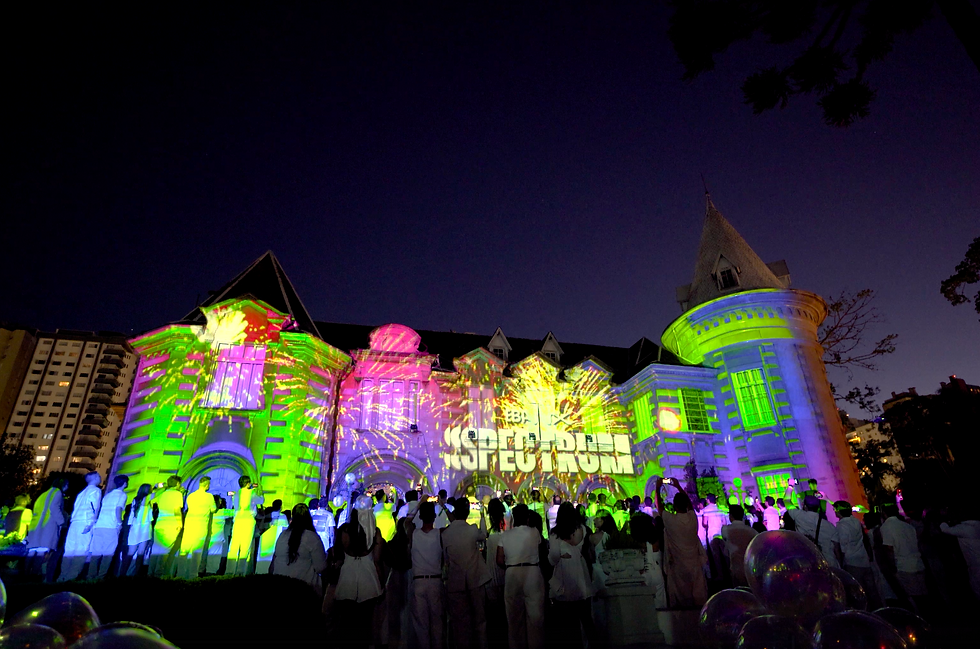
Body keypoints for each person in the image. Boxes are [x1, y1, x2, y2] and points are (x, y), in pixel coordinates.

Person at [334, 495, 386, 649]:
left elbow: (339, 556)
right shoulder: (374, 532)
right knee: (365, 622)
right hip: (368, 579)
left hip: (347, 578)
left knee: (347, 622)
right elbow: (377, 560)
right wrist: (382, 583)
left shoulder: (345, 530)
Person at [496, 504, 545, 649]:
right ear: (528, 517)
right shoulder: (534, 532)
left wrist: (511, 566)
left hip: (512, 574)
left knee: (513, 617)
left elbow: (499, 559)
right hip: (532, 572)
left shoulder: (505, 535)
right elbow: (541, 550)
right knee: (535, 616)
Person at [443, 499, 490, 649]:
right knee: (480, 620)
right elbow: (484, 534)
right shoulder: (471, 530)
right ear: (468, 512)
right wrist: (483, 515)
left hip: (455, 583)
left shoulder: (446, 534)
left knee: (459, 624)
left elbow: (445, 559)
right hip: (475, 580)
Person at [656, 477, 708, 608]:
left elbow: (659, 507)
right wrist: (678, 486)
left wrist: (657, 487)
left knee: (681, 600)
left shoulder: (671, 520)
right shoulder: (692, 518)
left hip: (678, 566)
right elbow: (689, 505)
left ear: (674, 505)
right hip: (695, 564)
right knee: (698, 598)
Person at [548, 502, 595, 649]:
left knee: (568, 620)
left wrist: (554, 558)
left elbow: (553, 557)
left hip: (564, 573)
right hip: (580, 571)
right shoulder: (582, 529)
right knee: (586, 617)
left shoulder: (555, 533)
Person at [878, 503, 928, 612]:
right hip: (918, 563)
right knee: (923, 594)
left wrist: (892, 567)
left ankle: (920, 620)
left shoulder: (886, 527)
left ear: (884, 513)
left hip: (903, 565)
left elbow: (889, 549)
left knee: (912, 597)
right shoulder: (907, 525)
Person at [833, 500, 882, 609]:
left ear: (838, 511)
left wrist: (841, 561)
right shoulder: (856, 521)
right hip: (863, 559)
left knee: (859, 590)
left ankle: (866, 612)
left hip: (852, 561)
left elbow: (843, 547)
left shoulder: (841, 526)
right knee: (872, 590)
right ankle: (878, 610)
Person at [272, 502, 328, 595]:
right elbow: (321, 567)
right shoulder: (312, 538)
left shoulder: (282, 535)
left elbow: (273, 563)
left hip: (280, 586)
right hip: (305, 590)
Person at [410, 501, 445, 649]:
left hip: (418, 582)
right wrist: (443, 505)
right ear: (434, 516)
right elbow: (457, 524)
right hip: (436, 581)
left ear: (421, 516)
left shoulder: (414, 534)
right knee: (437, 622)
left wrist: (419, 505)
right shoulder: (440, 534)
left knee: (421, 624)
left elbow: (407, 521)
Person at [59, 471, 103, 581]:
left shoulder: (81, 492)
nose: (100, 478)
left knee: (69, 549)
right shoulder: (96, 491)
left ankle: (62, 575)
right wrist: (92, 523)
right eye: (98, 476)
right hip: (85, 521)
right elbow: (95, 507)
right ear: (94, 478)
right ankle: (71, 577)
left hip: (74, 522)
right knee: (81, 550)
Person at [784, 494, 840, 568]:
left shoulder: (799, 516)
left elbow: (786, 500)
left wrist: (790, 486)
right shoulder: (829, 526)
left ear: (805, 506)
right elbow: (837, 548)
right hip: (829, 562)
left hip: (810, 562)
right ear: (818, 508)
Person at [89, 475, 128, 580]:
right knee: (108, 554)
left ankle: (90, 577)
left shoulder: (108, 495)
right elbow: (118, 509)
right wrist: (119, 523)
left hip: (100, 526)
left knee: (96, 553)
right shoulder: (122, 495)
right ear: (125, 483)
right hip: (110, 527)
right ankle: (100, 577)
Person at [178, 476, 217, 579]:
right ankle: (192, 575)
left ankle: (180, 575)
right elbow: (213, 509)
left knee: (184, 550)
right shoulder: (209, 497)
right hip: (201, 526)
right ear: (207, 485)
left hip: (190, 524)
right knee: (196, 552)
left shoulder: (191, 496)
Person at [939, 507, 980, 598]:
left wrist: (943, 517)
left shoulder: (965, 528)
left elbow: (944, 529)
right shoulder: (976, 525)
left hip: (975, 565)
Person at [227, 475, 263, 576]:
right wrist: (260, 490)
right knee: (245, 546)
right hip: (248, 519)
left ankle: (229, 571)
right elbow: (261, 501)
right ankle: (240, 572)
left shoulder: (236, 493)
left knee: (234, 545)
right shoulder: (251, 493)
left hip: (237, 519)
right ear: (248, 483)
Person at [149, 475, 185, 577]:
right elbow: (177, 510)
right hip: (171, 525)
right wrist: (180, 524)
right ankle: (159, 574)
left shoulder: (163, 494)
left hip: (159, 524)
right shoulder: (177, 494)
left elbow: (151, 502)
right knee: (165, 551)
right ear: (177, 483)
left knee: (155, 550)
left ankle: (150, 573)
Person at [720, 504, 757, 587]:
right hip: (750, 567)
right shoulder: (752, 531)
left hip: (735, 567)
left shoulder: (726, 529)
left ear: (731, 516)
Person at [121, 483, 153, 576]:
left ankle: (123, 574)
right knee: (140, 554)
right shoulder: (147, 499)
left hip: (135, 528)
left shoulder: (136, 499)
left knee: (130, 553)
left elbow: (131, 517)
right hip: (145, 528)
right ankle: (136, 575)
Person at [256, 499, 287, 574]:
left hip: (265, 543)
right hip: (278, 542)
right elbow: (285, 528)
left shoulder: (267, 516)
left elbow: (262, 528)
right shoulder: (282, 516)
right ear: (280, 506)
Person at [206, 495, 232, 575]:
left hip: (207, 537)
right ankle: (211, 575)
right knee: (214, 559)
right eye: (220, 501)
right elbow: (235, 512)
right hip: (217, 539)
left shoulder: (206, 511)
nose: (221, 502)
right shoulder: (221, 512)